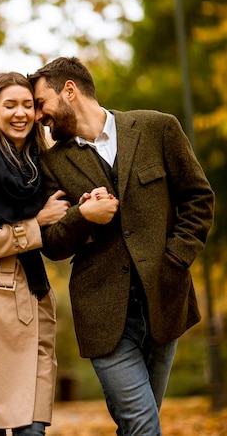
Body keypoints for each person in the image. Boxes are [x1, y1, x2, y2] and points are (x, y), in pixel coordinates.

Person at [28, 57, 215, 436]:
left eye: (40, 104)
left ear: (70, 90)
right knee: (144, 425)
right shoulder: (50, 164)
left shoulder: (157, 127)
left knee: (138, 424)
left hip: (166, 300)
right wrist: (84, 216)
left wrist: (176, 257)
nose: (37, 116)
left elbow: (198, 198)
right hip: (102, 313)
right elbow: (52, 244)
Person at [0, 71, 118, 436]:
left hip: (33, 296)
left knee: (32, 428)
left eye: (28, 105)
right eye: (10, 105)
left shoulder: (40, 163)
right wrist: (36, 223)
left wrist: (80, 206)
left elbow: (57, 219)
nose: (21, 113)